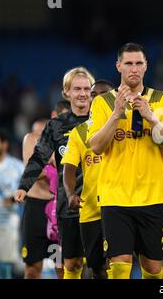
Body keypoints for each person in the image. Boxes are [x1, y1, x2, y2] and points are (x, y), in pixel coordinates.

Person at [88, 43, 163, 279]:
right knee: (119, 265)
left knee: (153, 268)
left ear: (146, 66)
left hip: (154, 195)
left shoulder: (162, 100)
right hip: (115, 196)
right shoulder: (103, 103)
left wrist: (151, 117)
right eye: (128, 63)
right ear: (118, 65)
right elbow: (97, 145)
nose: (134, 69)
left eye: (139, 63)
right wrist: (116, 114)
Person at [14, 67, 94, 279]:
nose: (83, 93)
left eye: (87, 88)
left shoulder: (101, 122)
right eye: (77, 88)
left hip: (99, 203)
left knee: (101, 266)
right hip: (67, 205)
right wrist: (24, 185)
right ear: (66, 92)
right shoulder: (56, 126)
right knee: (71, 264)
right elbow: (39, 156)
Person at [62, 80, 114, 279]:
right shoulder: (79, 132)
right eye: (95, 94)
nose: (99, 97)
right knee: (97, 268)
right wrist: (70, 194)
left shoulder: (126, 125)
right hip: (91, 209)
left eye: (105, 93)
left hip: (120, 205)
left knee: (118, 263)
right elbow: (69, 168)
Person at [20, 117, 61, 279]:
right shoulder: (29, 138)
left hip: (57, 213)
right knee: (32, 269)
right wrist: (52, 162)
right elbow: (32, 171)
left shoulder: (64, 140)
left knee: (61, 267)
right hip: (35, 211)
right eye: (38, 135)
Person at [0, 128, 24, 279]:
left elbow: (29, 192)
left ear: (5, 144)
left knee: (5, 270)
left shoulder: (18, 167)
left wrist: (13, 198)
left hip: (9, 224)